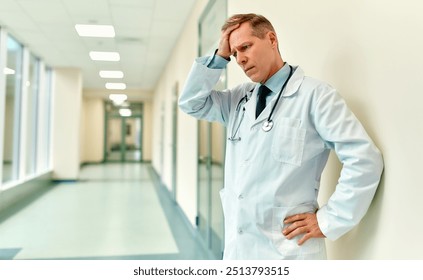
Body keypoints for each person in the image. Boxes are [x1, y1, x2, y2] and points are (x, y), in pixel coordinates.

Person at [179, 13, 384, 260]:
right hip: (239, 250)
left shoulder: (315, 96)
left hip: (289, 252)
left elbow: (364, 158)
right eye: (234, 54)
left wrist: (329, 220)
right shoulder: (239, 100)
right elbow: (192, 103)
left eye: (245, 47)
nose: (240, 59)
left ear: (272, 39)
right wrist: (219, 56)